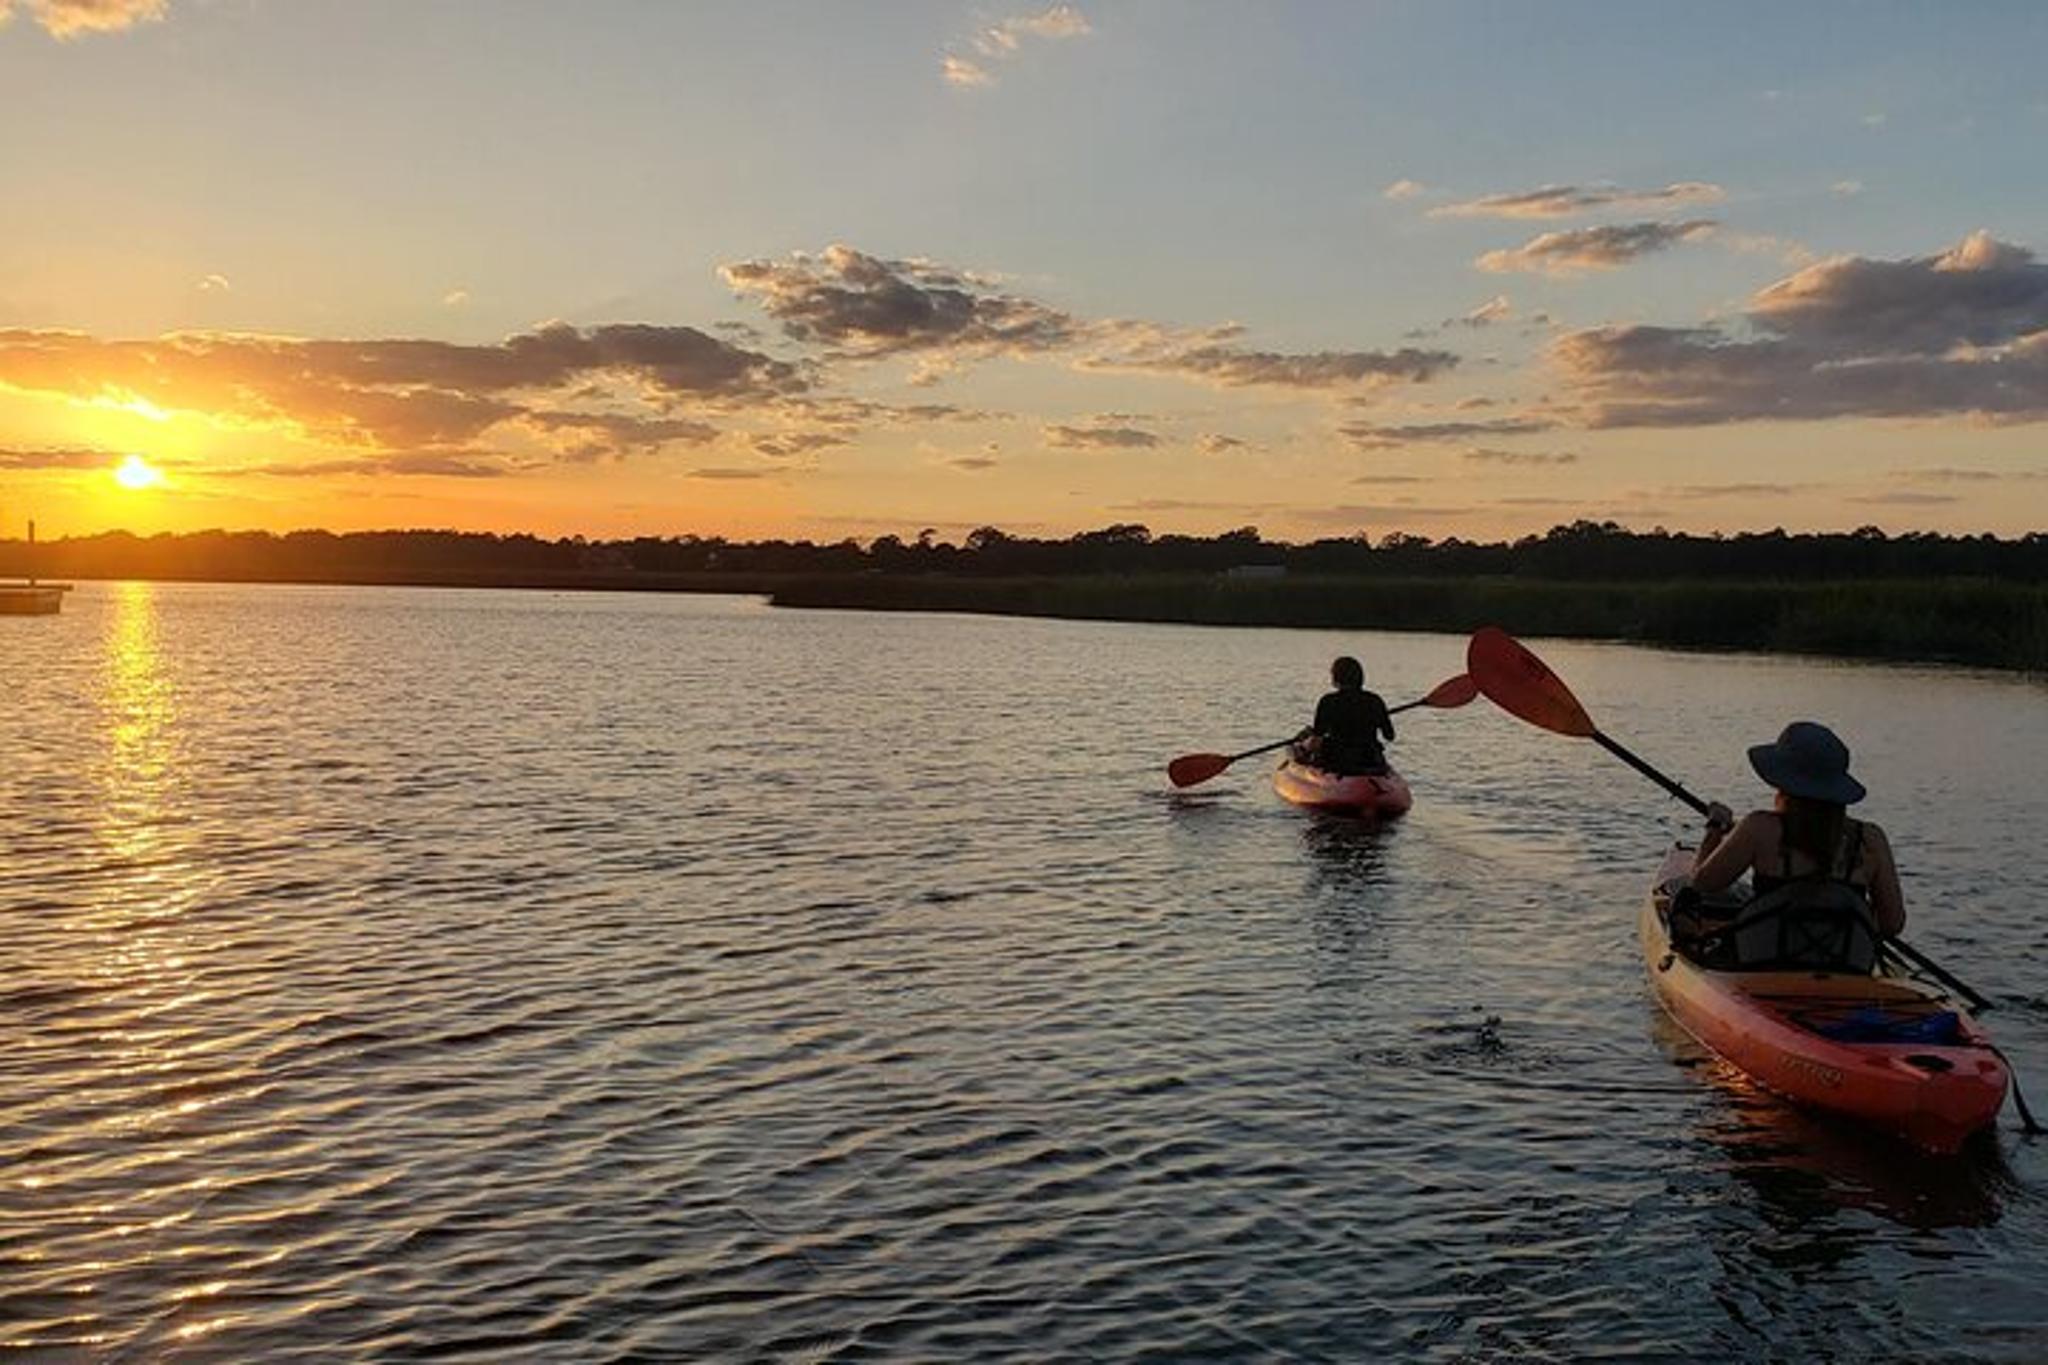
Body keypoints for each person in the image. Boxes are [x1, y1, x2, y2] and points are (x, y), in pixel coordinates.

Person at [1690, 720, 1905, 941]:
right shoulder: (1870, 839)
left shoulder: (1758, 828)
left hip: (1763, 965)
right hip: (1846, 968)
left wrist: (1715, 828)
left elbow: (1702, 884)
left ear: (1782, 780)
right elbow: (1892, 924)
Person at [1293, 656, 1395, 775]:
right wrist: (1380, 717)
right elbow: (1389, 736)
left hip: (1337, 760)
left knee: (1307, 746)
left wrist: (1306, 738)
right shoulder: (1375, 701)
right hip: (1369, 759)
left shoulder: (1328, 701)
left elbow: (1318, 735)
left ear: (1336, 678)